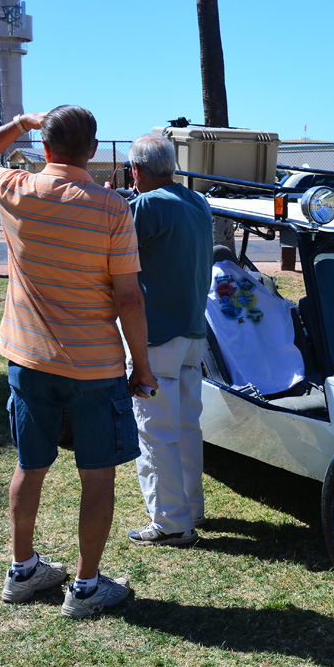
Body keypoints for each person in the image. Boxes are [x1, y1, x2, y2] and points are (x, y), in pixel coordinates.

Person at [0, 105, 157, 620]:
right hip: (95, 366)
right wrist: (143, 367)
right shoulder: (113, 208)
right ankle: (87, 586)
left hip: (28, 359)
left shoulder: (14, 189)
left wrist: (21, 123)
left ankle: (23, 570)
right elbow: (129, 299)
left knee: (30, 466)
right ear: (92, 150)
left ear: (44, 147)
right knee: (98, 476)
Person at [123, 134, 214, 548]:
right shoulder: (198, 202)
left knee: (155, 431)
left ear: (137, 171)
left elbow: (118, 242)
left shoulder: (145, 206)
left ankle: (170, 520)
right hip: (193, 333)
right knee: (185, 426)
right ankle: (190, 507)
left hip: (157, 337)